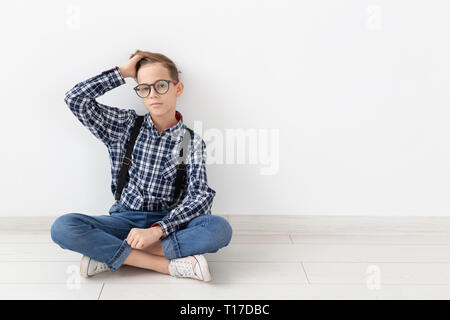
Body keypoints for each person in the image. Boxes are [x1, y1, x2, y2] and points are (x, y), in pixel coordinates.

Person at [50, 50, 232, 282]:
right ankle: (167, 266)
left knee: (218, 229)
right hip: (123, 221)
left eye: (161, 86)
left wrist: (157, 230)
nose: (153, 94)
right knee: (64, 227)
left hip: (168, 223)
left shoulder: (191, 142)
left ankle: (110, 255)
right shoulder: (124, 126)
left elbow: (200, 196)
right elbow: (75, 99)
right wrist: (123, 72)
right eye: (145, 88)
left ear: (178, 88)